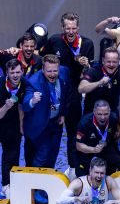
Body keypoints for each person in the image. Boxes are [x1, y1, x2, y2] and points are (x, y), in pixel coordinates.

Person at [41, 12, 95, 180]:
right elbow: (44, 63)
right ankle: (46, 169)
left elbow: (90, 73)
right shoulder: (55, 41)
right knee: (50, 133)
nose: (70, 31)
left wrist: (86, 66)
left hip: (74, 97)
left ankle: (72, 168)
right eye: (67, 28)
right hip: (54, 95)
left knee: (73, 133)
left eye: (73, 28)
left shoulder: (87, 44)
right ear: (62, 27)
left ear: (78, 28)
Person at [0, 59, 27, 200]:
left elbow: (20, 106)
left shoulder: (24, 84)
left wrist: (21, 127)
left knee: (12, 153)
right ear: (7, 72)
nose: (15, 75)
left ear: (22, 72)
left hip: (11, 122)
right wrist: (6, 106)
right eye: (12, 72)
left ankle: (7, 185)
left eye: (18, 72)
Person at [22, 54, 70, 169]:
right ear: (43, 69)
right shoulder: (34, 82)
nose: (53, 74)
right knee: (41, 158)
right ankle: (35, 185)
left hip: (56, 123)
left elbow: (67, 95)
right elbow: (25, 105)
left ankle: (46, 184)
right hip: (39, 125)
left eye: (55, 71)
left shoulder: (64, 72)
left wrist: (63, 114)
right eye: (49, 71)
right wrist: (33, 101)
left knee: (52, 156)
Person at [78, 47, 120, 114]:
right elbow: (81, 89)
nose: (111, 65)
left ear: (118, 61)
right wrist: (99, 83)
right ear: (103, 60)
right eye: (108, 61)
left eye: (114, 62)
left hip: (111, 114)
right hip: (91, 113)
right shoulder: (93, 70)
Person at [75, 100, 120, 177]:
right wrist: (93, 149)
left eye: (106, 114)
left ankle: (116, 184)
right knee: (84, 177)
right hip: (87, 152)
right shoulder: (84, 123)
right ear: (94, 112)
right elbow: (79, 146)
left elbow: (114, 138)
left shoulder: (113, 118)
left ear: (110, 111)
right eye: (99, 114)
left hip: (106, 148)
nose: (103, 117)